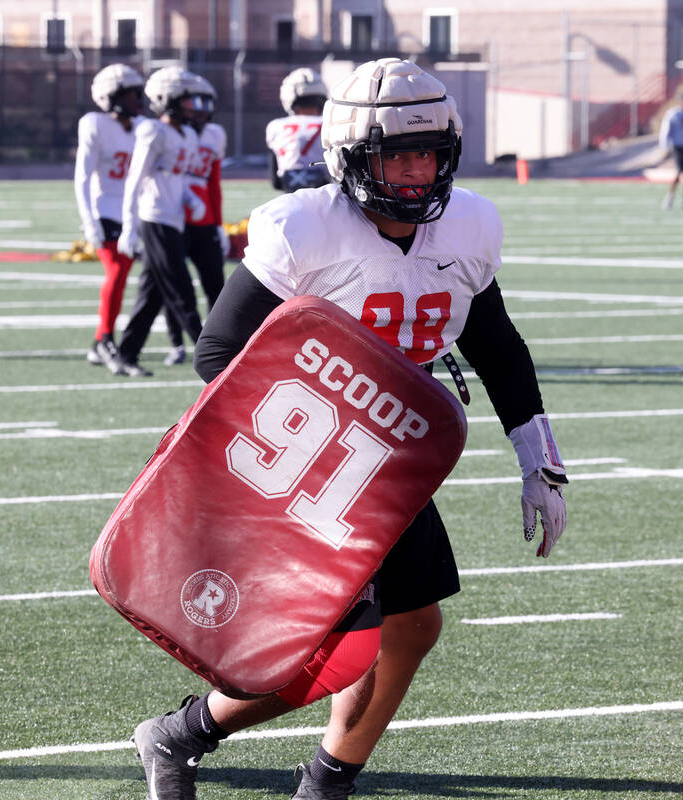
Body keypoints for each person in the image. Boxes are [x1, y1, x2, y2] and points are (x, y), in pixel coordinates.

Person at [130, 57, 569, 800]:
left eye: (425, 153)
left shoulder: (468, 225)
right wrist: (327, 424)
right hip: (305, 456)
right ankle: (180, 735)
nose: (412, 173)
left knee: (412, 627)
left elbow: (495, 344)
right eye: (394, 154)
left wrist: (540, 460)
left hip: (390, 457)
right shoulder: (306, 229)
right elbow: (219, 352)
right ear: (351, 156)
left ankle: (326, 779)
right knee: (343, 645)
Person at [116, 66, 205, 373]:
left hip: (173, 218)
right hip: (154, 218)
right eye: (187, 100)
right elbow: (135, 178)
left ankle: (125, 355)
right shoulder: (153, 131)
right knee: (181, 290)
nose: (194, 108)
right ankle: (216, 358)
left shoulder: (188, 135)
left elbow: (177, 179)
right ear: (168, 100)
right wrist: (130, 225)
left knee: (151, 294)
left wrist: (189, 198)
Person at [75, 63, 152, 377]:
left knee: (144, 276)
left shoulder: (144, 126)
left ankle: (101, 342)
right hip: (105, 209)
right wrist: (89, 220)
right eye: (132, 94)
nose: (138, 100)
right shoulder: (94, 124)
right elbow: (82, 176)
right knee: (117, 272)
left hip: (136, 213)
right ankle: (106, 338)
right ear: (112, 97)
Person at [161, 70, 227, 367]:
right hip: (175, 217)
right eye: (192, 102)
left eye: (203, 102)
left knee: (216, 285)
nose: (198, 109)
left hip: (204, 220)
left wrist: (218, 223)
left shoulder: (214, 135)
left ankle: (223, 340)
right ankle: (177, 342)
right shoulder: (169, 133)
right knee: (173, 286)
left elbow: (213, 181)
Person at [265, 68, 330, 192]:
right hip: (325, 194)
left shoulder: (275, 126)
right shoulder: (330, 124)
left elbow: (276, 182)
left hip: (291, 195)